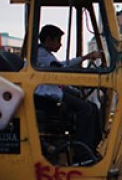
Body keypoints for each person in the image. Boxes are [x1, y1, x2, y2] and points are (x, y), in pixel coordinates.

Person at [35, 24, 102, 155]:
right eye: (58, 41)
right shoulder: (40, 54)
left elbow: (63, 66)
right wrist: (85, 60)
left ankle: (95, 146)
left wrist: (84, 58)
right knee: (85, 109)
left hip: (54, 91)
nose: (60, 45)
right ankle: (82, 152)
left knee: (93, 107)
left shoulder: (46, 54)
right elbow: (62, 68)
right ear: (49, 39)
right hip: (47, 94)